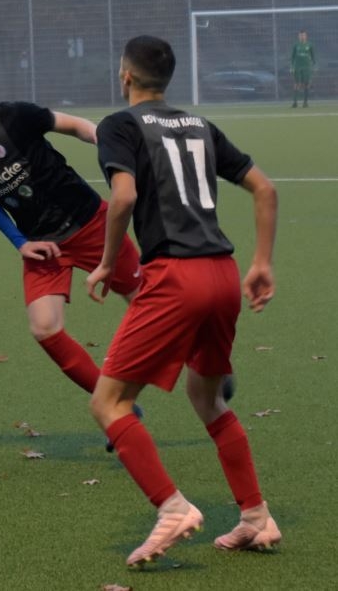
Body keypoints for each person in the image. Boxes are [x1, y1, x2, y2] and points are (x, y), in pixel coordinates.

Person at [86, 34, 280, 566]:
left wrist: (107, 262)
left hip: (176, 277)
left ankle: (172, 508)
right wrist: (262, 263)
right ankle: (256, 516)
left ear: (125, 76)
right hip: (223, 274)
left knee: (108, 403)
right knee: (207, 397)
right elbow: (266, 189)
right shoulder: (199, 124)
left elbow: (123, 197)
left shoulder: (120, 125)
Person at [0, 63, 142, 410]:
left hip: (89, 223)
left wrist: (113, 150)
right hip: (42, 245)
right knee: (44, 328)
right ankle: (112, 403)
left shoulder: (11, 116)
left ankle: (205, 364)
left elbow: (75, 126)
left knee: (148, 303)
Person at [290, 29, 316, 107]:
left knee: (306, 84)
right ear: (298, 36)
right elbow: (292, 57)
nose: (302, 37)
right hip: (297, 67)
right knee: (297, 84)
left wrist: (315, 66)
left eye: (303, 35)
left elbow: (313, 57)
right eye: (300, 35)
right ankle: (295, 102)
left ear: (306, 36)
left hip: (307, 67)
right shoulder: (296, 45)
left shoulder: (310, 45)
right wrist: (291, 67)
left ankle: (305, 102)